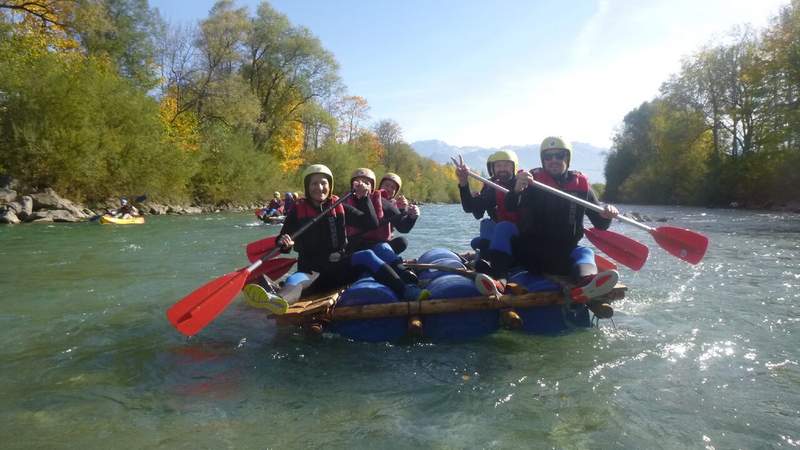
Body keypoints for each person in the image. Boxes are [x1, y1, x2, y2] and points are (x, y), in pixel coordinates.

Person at [243, 164, 427, 313]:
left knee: (367, 255)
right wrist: (283, 243)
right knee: (296, 279)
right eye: (314, 184)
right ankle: (279, 300)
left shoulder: (339, 207)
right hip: (311, 271)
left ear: (329, 186)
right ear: (308, 187)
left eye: (323, 183)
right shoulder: (297, 211)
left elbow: (370, 223)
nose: (319, 187)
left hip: (337, 268)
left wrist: (364, 199)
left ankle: (407, 290)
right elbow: (283, 243)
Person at [505, 136, 619, 309]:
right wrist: (516, 189)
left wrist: (607, 214)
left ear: (568, 158)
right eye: (548, 157)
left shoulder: (582, 186)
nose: (554, 160)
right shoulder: (530, 182)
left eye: (559, 156)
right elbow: (510, 206)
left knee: (585, 252)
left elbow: (600, 225)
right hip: (533, 253)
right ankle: (583, 283)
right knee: (581, 252)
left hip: (564, 253)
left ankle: (587, 283)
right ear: (543, 160)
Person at [454, 149, 521, 277]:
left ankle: (497, 271)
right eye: (498, 165)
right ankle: (485, 261)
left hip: (521, 235)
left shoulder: (522, 184)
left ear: (514, 167)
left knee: (498, 227)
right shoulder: (492, 187)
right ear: (493, 168)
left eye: (506, 165)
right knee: (482, 231)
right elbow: (471, 208)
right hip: (502, 236)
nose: (502, 169)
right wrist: (463, 182)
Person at [376, 172, 420, 254]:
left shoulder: (393, 205)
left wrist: (410, 215)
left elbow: (403, 228)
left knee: (402, 242)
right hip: (367, 243)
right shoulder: (372, 199)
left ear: (395, 192)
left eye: (393, 187)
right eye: (386, 185)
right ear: (380, 186)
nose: (389, 189)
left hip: (383, 244)